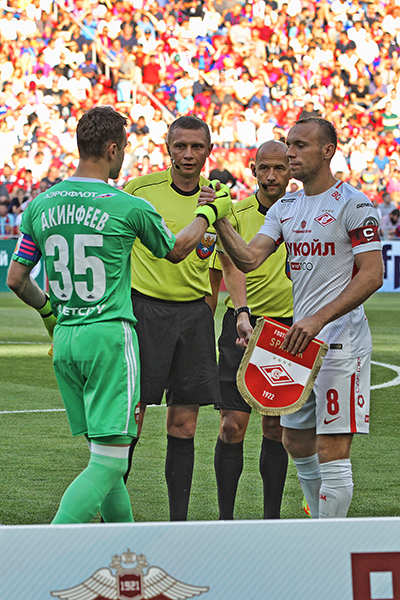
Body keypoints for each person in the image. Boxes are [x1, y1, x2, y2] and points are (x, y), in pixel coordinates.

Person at [6, 107, 230, 524]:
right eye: (124, 148)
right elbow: (177, 250)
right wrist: (207, 213)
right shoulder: (128, 205)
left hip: (66, 338)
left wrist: (50, 314)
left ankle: (126, 546)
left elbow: (17, 279)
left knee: (104, 456)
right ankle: (48, 548)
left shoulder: (40, 205)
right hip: (109, 337)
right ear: (113, 149)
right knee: (109, 464)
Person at [207, 118, 383, 519]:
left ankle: (327, 539)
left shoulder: (354, 204)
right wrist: (218, 218)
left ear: (327, 150)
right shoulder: (286, 207)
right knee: (295, 441)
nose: (290, 153)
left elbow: (373, 274)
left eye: (300, 145)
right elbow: (249, 258)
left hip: (341, 344)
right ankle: (319, 524)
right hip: (299, 346)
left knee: (332, 448)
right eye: (289, 144)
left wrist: (318, 319)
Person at [124, 115, 228, 521]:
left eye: (196, 146)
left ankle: (178, 525)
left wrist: (207, 310)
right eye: (180, 145)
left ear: (208, 151)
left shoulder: (218, 196)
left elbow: (222, 263)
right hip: (145, 312)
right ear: (167, 147)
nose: (188, 154)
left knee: (184, 425)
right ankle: (110, 520)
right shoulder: (139, 190)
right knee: (130, 421)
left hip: (193, 317)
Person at [210, 140, 293, 520]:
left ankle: (270, 520)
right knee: (232, 426)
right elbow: (228, 268)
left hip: (289, 328)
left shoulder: (303, 212)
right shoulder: (236, 213)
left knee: (275, 427)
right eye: (264, 168)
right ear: (253, 169)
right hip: (243, 324)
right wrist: (242, 311)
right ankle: (226, 521)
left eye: (279, 168)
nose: (271, 176)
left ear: (291, 170)